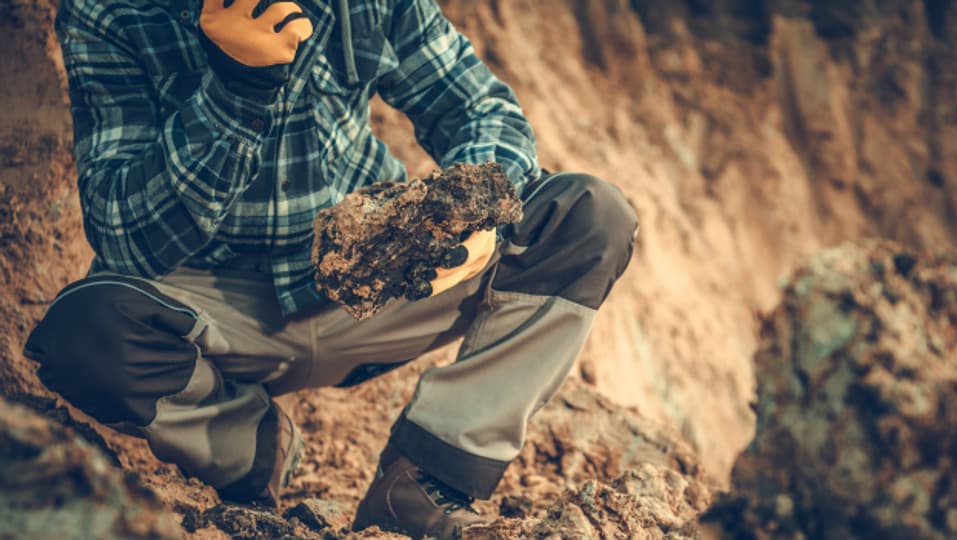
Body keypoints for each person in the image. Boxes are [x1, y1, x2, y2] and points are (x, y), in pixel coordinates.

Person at [23, 0, 638, 537]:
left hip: (379, 274)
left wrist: (468, 208)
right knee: (85, 333)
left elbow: (481, 107)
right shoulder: (111, 9)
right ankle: (250, 453)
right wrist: (235, 93)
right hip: (211, 306)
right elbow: (124, 236)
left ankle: (424, 485)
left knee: (587, 216)